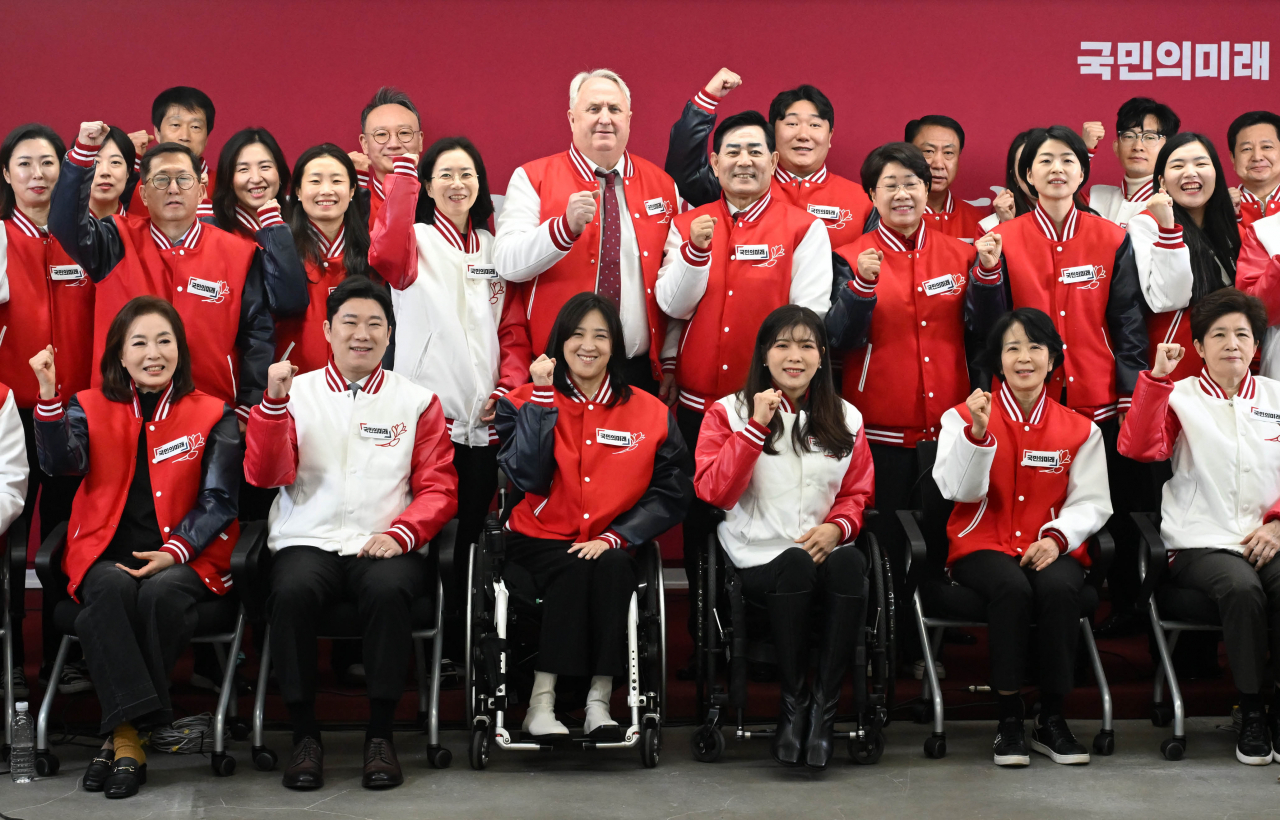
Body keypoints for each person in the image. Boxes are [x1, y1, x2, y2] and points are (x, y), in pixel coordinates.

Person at [244, 276, 457, 791]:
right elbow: (265, 474)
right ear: (327, 330)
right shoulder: (295, 394)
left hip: (384, 541)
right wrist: (272, 406)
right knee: (290, 592)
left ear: (390, 334)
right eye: (350, 323)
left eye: (374, 325)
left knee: (388, 591)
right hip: (306, 540)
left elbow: (438, 487)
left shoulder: (417, 401)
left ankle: (380, 736)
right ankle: (304, 736)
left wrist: (404, 534)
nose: (362, 335)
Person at [30, 296, 240, 798]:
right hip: (105, 554)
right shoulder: (88, 404)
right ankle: (130, 738)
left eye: (164, 340)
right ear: (119, 355)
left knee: (160, 594)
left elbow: (219, 499)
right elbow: (63, 461)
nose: (153, 352)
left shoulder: (214, 413)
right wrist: (47, 397)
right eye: (139, 342)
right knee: (108, 591)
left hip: (185, 557)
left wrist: (176, 551)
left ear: (180, 350)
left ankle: (119, 739)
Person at [655, 108, 832, 647]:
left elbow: (811, 319)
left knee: (766, 517)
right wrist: (695, 252)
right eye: (732, 151)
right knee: (702, 518)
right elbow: (671, 303)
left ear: (774, 161)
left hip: (770, 408)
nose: (744, 161)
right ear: (713, 161)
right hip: (697, 405)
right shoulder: (690, 222)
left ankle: (762, 635)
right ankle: (708, 638)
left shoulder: (804, 227)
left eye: (756, 151)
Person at [825, 142, 1006, 664]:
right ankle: (883, 646)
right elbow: (837, 338)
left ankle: (930, 647)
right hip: (878, 430)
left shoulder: (964, 251)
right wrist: (862, 284)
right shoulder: (847, 256)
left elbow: (987, 333)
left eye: (913, 183)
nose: (903, 194)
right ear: (871, 194)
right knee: (880, 546)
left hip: (948, 431)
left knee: (937, 539)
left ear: (929, 190)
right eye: (891, 185)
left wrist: (990, 276)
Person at [495, 292, 691, 740]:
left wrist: (619, 536)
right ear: (560, 341)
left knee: (610, 565)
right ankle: (540, 704)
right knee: (572, 567)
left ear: (615, 346)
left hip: (611, 540)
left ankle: (597, 704)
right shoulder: (522, 401)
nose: (589, 345)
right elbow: (529, 477)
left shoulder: (650, 412)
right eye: (577, 334)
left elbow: (673, 490)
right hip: (537, 539)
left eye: (601, 335)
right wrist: (543, 400)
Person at [987, 125, 1147, 640]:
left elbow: (1127, 323)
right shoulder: (1001, 240)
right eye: (1045, 161)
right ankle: (1033, 624)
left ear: (1083, 171)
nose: (1057, 169)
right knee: (1027, 515)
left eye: (1068, 160)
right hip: (1027, 410)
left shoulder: (1111, 237)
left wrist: (1128, 394)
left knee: (1113, 519)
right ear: (1026, 175)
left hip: (1097, 405)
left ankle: (1116, 617)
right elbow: (985, 328)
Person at [694, 305, 872, 769]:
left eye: (807, 346)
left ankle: (824, 712)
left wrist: (838, 527)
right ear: (765, 354)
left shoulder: (846, 417)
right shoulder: (728, 412)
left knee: (853, 562)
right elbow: (714, 491)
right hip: (759, 559)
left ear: (821, 357)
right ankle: (792, 706)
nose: (795, 356)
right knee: (793, 562)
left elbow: (857, 492)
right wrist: (754, 428)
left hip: (824, 551)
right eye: (784, 345)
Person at [935, 308, 1111, 767]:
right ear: (997, 360)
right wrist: (977, 435)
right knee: (1011, 588)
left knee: (1060, 588)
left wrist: (1056, 538)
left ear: (1053, 359)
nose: (1024, 358)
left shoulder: (1081, 429)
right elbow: (956, 490)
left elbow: (1092, 502)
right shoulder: (960, 417)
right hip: (981, 544)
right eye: (1012, 348)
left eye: (1035, 347)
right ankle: (1009, 716)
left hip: (1052, 544)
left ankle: (1052, 717)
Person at [1118, 288, 1280, 766]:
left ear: (1256, 346)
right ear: (1199, 347)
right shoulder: (1180, 395)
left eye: (1242, 335)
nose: (1232, 343)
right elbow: (1138, 448)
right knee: (1241, 589)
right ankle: (1251, 710)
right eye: (1219, 335)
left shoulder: (1276, 396)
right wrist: (1157, 379)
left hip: (1266, 535)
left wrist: (1277, 525)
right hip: (1200, 542)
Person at [369, 135, 531, 581]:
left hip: (485, 426)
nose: (458, 184)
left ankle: (464, 640)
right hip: (428, 424)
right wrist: (401, 179)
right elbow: (382, 253)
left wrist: (507, 387)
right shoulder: (413, 241)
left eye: (467, 174)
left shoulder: (493, 247)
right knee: (424, 538)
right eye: (445, 175)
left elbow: (512, 331)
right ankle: (430, 636)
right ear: (427, 185)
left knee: (473, 539)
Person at [50, 122, 274, 427]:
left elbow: (257, 338)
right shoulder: (115, 239)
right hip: (121, 414)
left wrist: (249, 406)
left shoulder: (240, 253)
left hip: (212, 413)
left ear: (200, 188)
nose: (173, 188)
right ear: (142, 192)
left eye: (183, 179)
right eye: (161, 180)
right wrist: (82, 155)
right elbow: (65, 226)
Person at [494, 69, 681, 398]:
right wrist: (562, 230)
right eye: (593, 109)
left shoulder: (664, 186)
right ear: (571, 118)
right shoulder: (531, 177)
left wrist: (669, 361)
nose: (605, 119)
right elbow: (507, 263)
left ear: (629, 117)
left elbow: (675, 282)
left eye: (614, 109)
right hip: (558, 370)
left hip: (637, 370)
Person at [0, 123, 96, 698]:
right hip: (12, 422)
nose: (38, 175)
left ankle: (67, 659)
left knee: (67, 540)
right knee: (12, 542)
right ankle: (12, 663)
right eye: (25, 164)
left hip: (76, 419)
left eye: (49, 164)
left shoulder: (78, 240)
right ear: (7, 175)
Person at [665, 68, 874, 239]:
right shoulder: (739, 182)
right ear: (772, 133)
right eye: (791, 123)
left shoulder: (864, 202)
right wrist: (707, 99)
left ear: (829, 136)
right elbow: (685, 173)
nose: (803, 134)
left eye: (814, 125)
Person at [1128, 133, 1240, 359]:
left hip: (1229, 360)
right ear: (1161, 181)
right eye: (1178, 165)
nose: (1190, 172)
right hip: (1176, 361)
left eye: (1201, 163)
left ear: (1216, 173)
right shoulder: (1145, 224)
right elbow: (1168, 299)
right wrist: (1168, 228)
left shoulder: (1230, 228)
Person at [274, 144, 376, 375]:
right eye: (315, 181)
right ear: (298, 191)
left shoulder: (372, 254)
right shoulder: (279, 251)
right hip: (296, 386)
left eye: (337, 181)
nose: (327, 190)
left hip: (360, 385)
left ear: (352, 191)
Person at [207, 128, 309, 317]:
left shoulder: (302, 222)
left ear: (280, 173)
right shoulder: (213, 229)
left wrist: (274, 227)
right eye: (243, 169)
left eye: (265, 167)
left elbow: (294, 300)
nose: (255, 178)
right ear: (229, 179)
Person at [1083, 97, 1180, 228]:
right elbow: (1054, 202)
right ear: (1116, 147)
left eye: (1150, 137)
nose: (1138, 146)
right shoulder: (1094, 197)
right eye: (1129, 136)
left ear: (1169, 150)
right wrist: (1084, 152)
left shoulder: (1174, 206)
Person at [128, 86, 217, 219]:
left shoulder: (225, 185)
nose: (185, 136)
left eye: (195, 127)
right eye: (175, 125)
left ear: (206, 138)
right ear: (157, 132)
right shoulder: (134, 183)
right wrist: (126, 158)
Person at [350, 87, 423, 229]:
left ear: (420, 140)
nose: (394, 144)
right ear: (364, 144)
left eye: (404, 133)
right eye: (381, 134)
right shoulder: (349, 203)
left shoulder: (440, 199)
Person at [906, 115, 987, 243]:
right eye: (928, 151)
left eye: (948, 153)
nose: (938, 164)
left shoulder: (979, 222)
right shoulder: (886, 217)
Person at [1228, 111, 1280, 228]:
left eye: (1266, 147)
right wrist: (1225, 214)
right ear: (1233, 158)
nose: (1257, 157)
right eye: (1246, 149)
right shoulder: (1220, 208)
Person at [86, 126, 138, 220]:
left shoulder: (142, 232)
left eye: (115, 162)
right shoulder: (60, 231)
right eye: (95, 162)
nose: (105, 172)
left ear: (128, 172)